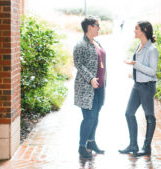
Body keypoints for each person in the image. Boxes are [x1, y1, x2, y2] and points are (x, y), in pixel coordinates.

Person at [119, 21, 159, 157]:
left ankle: (146, 147)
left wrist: (135, 64)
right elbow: (139, 64)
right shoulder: (139, 46)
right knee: (129, 113)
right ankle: (133, 145)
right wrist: (133, 64)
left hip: (147, 86)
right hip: (137, 85)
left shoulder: (152, 50)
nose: (134, 31)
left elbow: (152, 71)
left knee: (149, 116)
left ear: (144, 30)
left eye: (136, 29)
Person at [73, 16, 106, 159]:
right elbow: (78, 64)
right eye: (97, 25)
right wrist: (91, 78)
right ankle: (81, 146)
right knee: (89, 117)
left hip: (100, 87)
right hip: (87, 87)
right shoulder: (80, 45)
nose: (99, 28)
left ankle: (91, 142)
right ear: (90, 27)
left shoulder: (97, 43)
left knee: (96, 116)